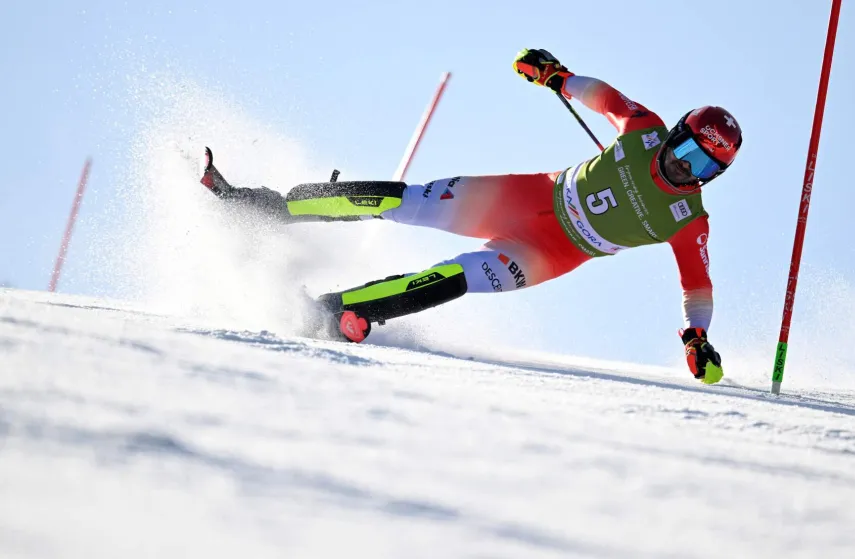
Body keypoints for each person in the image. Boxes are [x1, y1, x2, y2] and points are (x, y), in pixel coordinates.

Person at [199, 48, 742, 384]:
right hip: (527, 198)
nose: (685, 169)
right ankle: (263, 207)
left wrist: (696, 338)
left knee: (456, 277)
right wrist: (555, 76)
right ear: (673, 134)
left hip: (549, 254)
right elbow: (603, 97)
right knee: (402, 200)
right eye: (686, 151)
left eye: (703, 168)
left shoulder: (687, 218)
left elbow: (698, 288)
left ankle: (336, 312)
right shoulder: (643, 128)